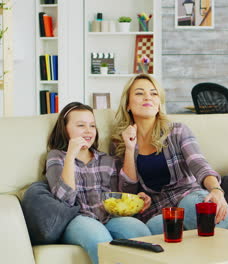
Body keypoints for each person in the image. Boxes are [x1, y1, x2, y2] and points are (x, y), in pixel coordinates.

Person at [111, 74, 228, 235]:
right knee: (154, 227)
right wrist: (129, 148)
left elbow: (199, 164)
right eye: (140, 93)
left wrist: (216, 190)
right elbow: (128, 192)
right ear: (128, 104)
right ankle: (227, 227)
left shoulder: (177, 131)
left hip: (188, 198)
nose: (148, 97)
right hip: (160, 210)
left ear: (159, 103)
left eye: (154, 94)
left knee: (195, 206)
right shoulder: (121, 141)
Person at [45, 102, 151, 264]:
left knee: (139, 230)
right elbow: (64, 198)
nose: (88, 131)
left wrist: (130, 149)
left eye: (92, 126)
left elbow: (125, 191)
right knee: (101, 240)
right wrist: (71, 156)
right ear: (64, 129)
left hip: (109, 217)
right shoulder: (57, 156)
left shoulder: (106, 159)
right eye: (81, 125)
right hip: (78, 220)